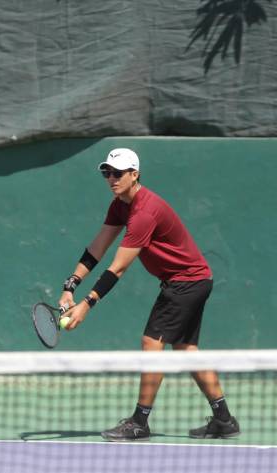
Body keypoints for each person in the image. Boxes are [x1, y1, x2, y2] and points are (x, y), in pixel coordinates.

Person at [58, 147, 240, 442]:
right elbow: (98, 247)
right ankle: (224, 420)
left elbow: (117, 268)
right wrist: (70, 285)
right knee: (185, 350)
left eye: (118, 173)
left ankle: (140, 421)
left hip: (185, 282)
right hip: (193, 280)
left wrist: (86, 304)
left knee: (150, 343)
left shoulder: (144, 212)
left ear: (134, 174)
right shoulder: (120, 204)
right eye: (107, 173)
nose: (111, 179)